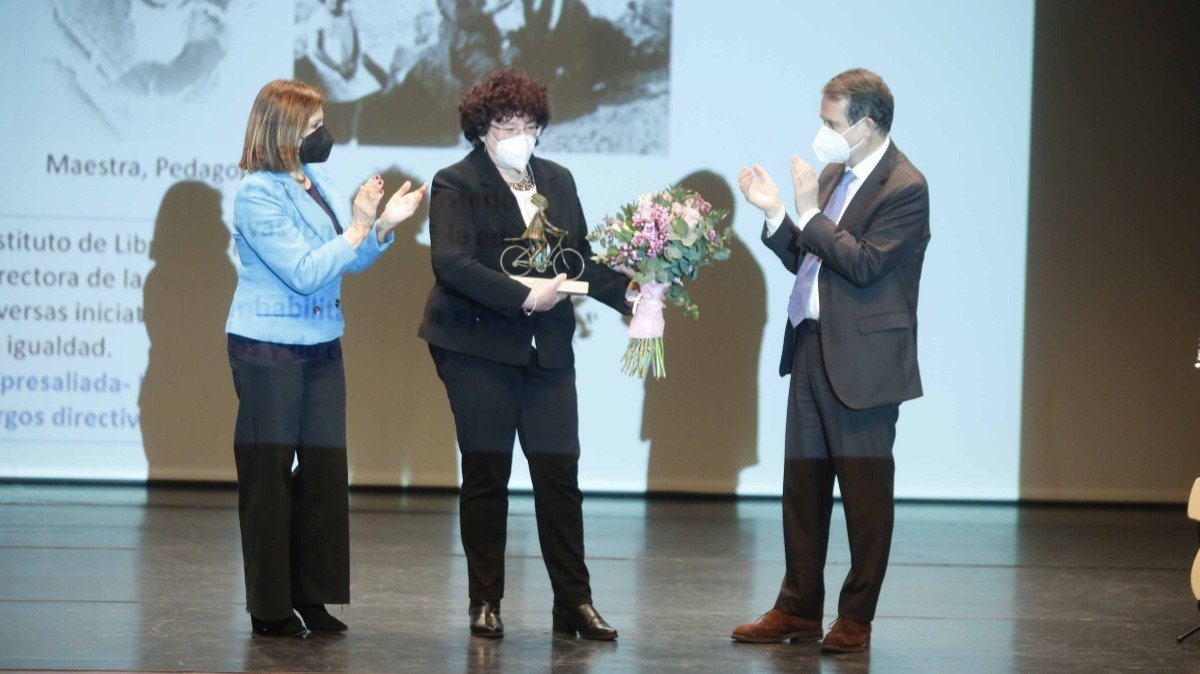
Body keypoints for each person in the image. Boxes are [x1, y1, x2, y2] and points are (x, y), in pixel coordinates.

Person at [417, 67, 631, 640]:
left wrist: (627, 296)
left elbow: (577, 258)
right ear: (482, 128)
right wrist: (523, 295)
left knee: (559, 475)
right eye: (507, 124)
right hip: (476, 347)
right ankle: (484, 600)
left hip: (547, 351)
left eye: (529, 124)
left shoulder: (557, 179)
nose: (521, 135)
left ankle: (575, 603)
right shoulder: (456, 182)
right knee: (487, 474)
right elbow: (452, 264)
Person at [732, 68, 930, 653]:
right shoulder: (836, 174)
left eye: (831, 123)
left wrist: (810, 213)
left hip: (866, 361)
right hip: (813, 346)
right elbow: (812, 262)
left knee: (865, 497)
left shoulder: (905, 187)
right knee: (804, 486)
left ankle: (856, 617)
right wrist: (777, 215)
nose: (822, 132)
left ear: (867, 126)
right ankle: (797, 608)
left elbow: (866, 265)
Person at [226, 79, 426, 637]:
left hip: (320, 346)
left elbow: (345, 263)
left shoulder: (313, 180)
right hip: (268, 349)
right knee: (268, 477)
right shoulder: (256, 193)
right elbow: (305, 272)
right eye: (313, 129)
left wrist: (381, 226)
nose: (324, 136)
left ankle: (312, 596)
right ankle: (269, 608)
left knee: (323, 473)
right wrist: (360, 224)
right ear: (284, 133)